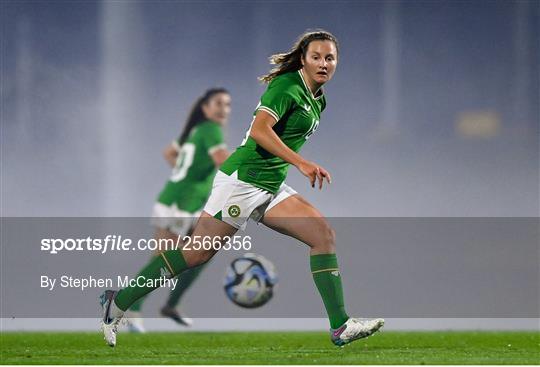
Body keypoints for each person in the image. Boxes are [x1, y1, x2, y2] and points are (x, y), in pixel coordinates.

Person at [100, 29, 384, 347]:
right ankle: (118, 301)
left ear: (337, 62)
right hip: (243, 181)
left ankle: (340, 325)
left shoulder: (318, 99)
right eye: (316, 57)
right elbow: (261, 131)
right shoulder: (287, 86)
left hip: (270, 186)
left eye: (329, 57)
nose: (323, 63)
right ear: (303, 60)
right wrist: (301, 163)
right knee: (196, 253)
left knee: (322, 235)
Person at [126, 88, 231, 332]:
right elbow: (223, 161)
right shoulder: (210, 130)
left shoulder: (195, 131)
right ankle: (130, 307)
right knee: (163, 260)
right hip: (178, 203)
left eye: (227, 104)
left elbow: (169, 153)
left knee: (204, 252)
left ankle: (171, 305)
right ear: (205, 108)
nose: (223, 109)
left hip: (190, 203)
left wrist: (186, 174)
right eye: (218, 103)